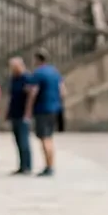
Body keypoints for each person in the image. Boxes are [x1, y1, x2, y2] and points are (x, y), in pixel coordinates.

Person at [26, 50, 64, 178]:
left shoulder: (38, 73)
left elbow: (33, 93)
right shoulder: (54, 72)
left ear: (37, 59)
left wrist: (28, 110)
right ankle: (51, 164)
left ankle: (49, 166)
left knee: (44, 138)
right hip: (54, 108)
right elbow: (63, 91)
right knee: (50, 137)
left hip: (42, 109)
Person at [2, 56, 32, 174]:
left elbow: (30, 96)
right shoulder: (14, 79)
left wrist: (28, 112)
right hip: (15, 113)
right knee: (18, 141)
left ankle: (27, 165)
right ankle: (22, 165)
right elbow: (12, 98)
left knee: (24, 141)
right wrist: (8, 112)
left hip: (23, 114)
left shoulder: (26, 78)